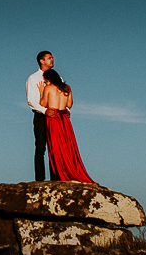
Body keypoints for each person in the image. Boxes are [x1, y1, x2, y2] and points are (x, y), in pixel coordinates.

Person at [41, 67, 97, 184]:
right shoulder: (67, 88)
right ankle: (71, 170)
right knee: (68, 146)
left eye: (45, 79)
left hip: (53, 118)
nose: (44, 81)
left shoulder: (48, 88)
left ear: (48, 78)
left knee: (56, 147)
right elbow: (69, 104)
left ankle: (61, 174)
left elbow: (43, 103)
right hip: (65, 119)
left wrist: (42, 91)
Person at [25, 51, 61, 181]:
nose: (53, 59)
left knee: (56, 147)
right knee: (40, 146)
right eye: (49, 58)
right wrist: (44, 110)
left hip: (56, 116)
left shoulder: (57, 77)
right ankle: (40, 179)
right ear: (41, 61)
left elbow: (62, 93)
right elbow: (31, 100)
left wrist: (65, 109)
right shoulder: (33, 78)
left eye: (52, 57)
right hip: (41, 116)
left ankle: (56, 178)